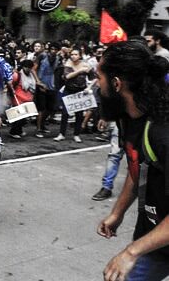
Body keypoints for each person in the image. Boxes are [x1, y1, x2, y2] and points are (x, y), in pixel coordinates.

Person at [96, 41, 169, 281]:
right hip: (155, 237)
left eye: (99, 77)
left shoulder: (162, 132)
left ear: (117, 84)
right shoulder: (129, 117)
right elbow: (139, 167)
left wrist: (130, 252)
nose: (97, 84)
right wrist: (118, 212)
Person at [54, 47, 93, 143]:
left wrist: (89, 87)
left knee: (79, 114)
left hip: (81, 91)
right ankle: (61, 134)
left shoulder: (85, 64)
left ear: (80, 55)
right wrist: (80, 71)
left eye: (76, 54)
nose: (73, 56)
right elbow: (68, 76)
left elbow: (94, 77)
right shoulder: (68, 63)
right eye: (72, 54)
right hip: (69, 89)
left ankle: (76, 134)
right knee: (65, 113)